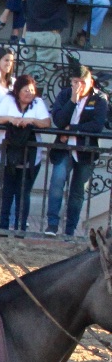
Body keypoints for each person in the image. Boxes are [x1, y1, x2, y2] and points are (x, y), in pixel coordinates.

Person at [0, 74, 51, 234]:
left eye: (31, 90)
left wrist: (31, 121)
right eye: (25, 90)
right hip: (7, 156)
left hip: (30, 157)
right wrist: (11, 119)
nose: (29, 93)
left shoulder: (38, 103)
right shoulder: (8, 100)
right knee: (6, 192)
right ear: (18, 90)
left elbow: (46, 122)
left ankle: (20, 230)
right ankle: (2, 228)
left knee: (23, 194)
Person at [46, 66, 107, 237]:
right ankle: (52, 225)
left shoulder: (99, 98)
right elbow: (59, 120)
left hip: (85, 150)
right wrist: (73, 100)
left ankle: (70, 229)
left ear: (90, 82)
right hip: (64, 148)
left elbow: (96, 125)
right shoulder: (65, 95)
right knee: (57, 183)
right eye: (74, 82)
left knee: (78, 192)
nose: (78, 85)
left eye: (82, 82)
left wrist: (72, 129)